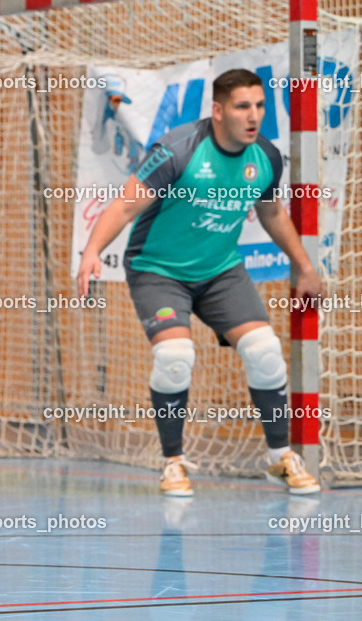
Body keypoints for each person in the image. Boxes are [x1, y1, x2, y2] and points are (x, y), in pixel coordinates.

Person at [77, 68, 322, 498]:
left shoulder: (265, 156)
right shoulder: (178, 150)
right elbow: (123, 206)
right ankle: (173, 462)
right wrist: (92, 251)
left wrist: (304, 266)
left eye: (260, 106)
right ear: (218, 110)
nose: (254, 116)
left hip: (220, 271)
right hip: (158, 270)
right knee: (175, 356)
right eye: (243, 106)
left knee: (266, 353)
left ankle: (280, 458)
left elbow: (271, 214)